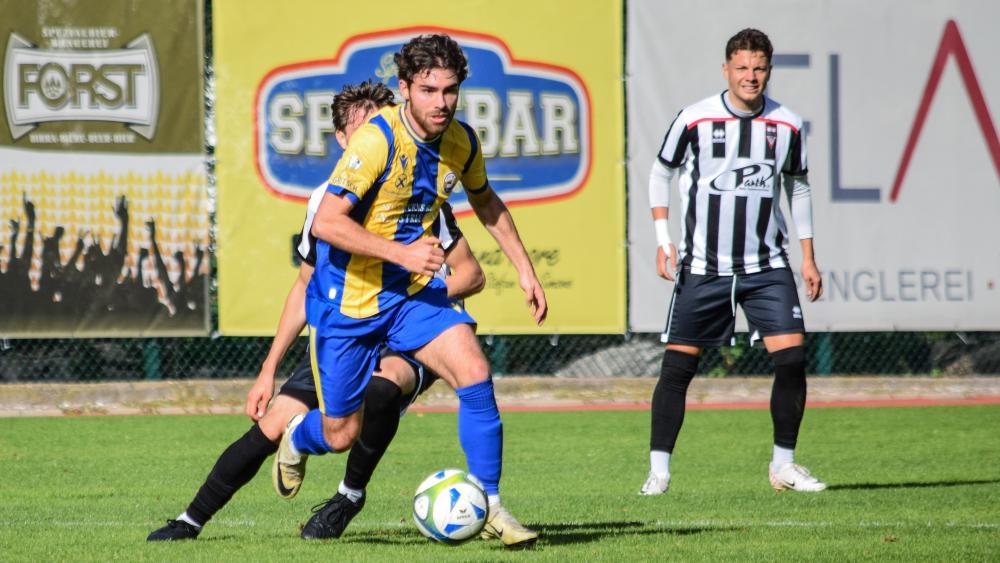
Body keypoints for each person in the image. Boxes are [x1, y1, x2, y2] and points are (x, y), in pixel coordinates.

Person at [147, 80, 484, 541]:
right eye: (365, 130)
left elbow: (471, 275)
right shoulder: (326, 205)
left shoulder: (419, 197)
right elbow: (305, 285)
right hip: (345, 323)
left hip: (405, 331)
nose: (378, 139)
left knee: (383, 390)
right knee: (270, 426)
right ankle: (189, 521)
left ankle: (348, 496)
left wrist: (419, 303)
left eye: (384, 126)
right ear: (345, 142)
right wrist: (268, 370)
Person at [275, 34, 547, 546]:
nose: (441, 102)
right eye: (428, 90)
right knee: (341, 434)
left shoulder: (461, 140)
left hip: (407, 296)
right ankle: (298, 435)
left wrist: (525, 270)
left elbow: (486, 202)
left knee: (474, 370)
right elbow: (329, 223)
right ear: (404, 89)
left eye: (450, 90)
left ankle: (489, 505)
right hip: (349, 302)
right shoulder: (375, 141)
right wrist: (403, 253)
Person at [640, 28, 826, 496]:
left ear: (769, 70)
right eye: (741, 68)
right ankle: (658, 472)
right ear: (726, 70)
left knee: (792, 358)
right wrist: (664, 239)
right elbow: (661, 172)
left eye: (759, 68)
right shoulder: (695, 119)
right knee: (678, 370)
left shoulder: (787, 125)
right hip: (704, 268)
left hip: (766, 267)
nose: (751, 77)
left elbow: (797, 187)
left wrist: (808, 257)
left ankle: (783, 465)